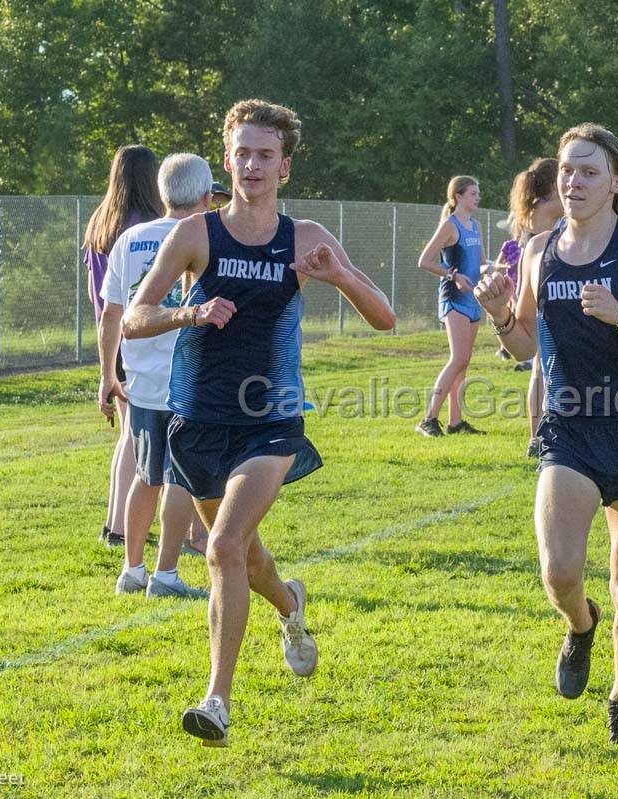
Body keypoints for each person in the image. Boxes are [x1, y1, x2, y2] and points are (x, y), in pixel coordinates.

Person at [122, 98, 395, 747]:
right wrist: (188, 313)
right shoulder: (195, 235)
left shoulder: (305, 238)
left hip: (270, 417)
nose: (252, 164)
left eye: (264, 155)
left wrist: (337, 280)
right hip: (199, 419)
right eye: (242, 152)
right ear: (226, 159)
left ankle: (216, 700)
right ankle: (291, 605)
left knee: (220, 548)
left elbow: (384, 316)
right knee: (243, 553)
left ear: (285, 167)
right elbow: (135, 317)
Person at [474, 123, 618, 744]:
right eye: (567, 171)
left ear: (616, 183)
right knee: (558, 572)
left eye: (588, 171)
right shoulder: (538, 250)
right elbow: (524, 343)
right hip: (569, 428)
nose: (573, 182)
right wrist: (498, 313)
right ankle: (580, 627)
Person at [100, 153, 215, 599]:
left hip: (141, 376)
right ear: (207, 197)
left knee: (145, 477)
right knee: (181, 478)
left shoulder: (130, 239)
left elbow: (112, 311)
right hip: (187, 377)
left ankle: (132, 570)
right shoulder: (202, 235)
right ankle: (166, 575)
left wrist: (108, 372)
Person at [84, 145, 163, 547]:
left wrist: (105, 363)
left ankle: (114, 523)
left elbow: (96, 298)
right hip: (141, 337)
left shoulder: (100, 222)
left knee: (127, 435)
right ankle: (120, 528)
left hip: (110, 338)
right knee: (138, 436)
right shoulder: (147, 225)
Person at [493, 157, 563, 457]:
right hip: (548, 281)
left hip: (529, 285)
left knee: (538, 367)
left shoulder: (528, 210)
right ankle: (541, 433)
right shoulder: (552, 207)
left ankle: (536, 435)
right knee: (542, 366)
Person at [415, 176, 486, 437]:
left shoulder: (475, 225)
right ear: (458, 197)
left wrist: (499, 268)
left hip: (473, 301)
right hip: (454, 300)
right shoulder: (450, 225)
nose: (478, 198)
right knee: (458, 359)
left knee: (463, 364)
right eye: (472, 194)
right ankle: (428, 419)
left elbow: (481, 263)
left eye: (478, 194)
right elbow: (425, 261)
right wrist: (453, 276)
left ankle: (456, 423)